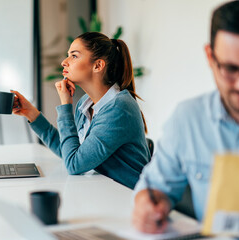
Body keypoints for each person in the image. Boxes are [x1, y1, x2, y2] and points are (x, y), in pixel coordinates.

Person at [132, 0, 239, 234]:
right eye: (230, 69)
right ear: (210, 57)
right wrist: (149, 206)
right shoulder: (188, 120)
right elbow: (155, 188)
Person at [11, 32, 151, 189]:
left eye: (74, 56)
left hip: (128, 197)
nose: (64, 62)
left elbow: (74, 165)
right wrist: (31, 113)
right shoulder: (86, 104)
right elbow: (70, 152)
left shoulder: (118, 108)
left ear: (98, 65)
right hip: (103, 191)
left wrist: (65, 105)